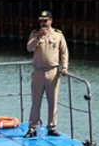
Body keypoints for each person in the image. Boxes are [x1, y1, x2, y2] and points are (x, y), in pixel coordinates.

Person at [25, 10, 69, 138]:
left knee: (53, 101)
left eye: (45, 21)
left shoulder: (58, 35)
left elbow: (64, 52)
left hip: (53, 72)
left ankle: (52, 127)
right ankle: (32, 128)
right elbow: (29, 48)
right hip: (38, 72)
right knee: (36, 102)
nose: (43, 23)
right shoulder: (35, 34)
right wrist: (38, 37)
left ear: (51, 21)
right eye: (41, 21)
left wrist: (65, 67)